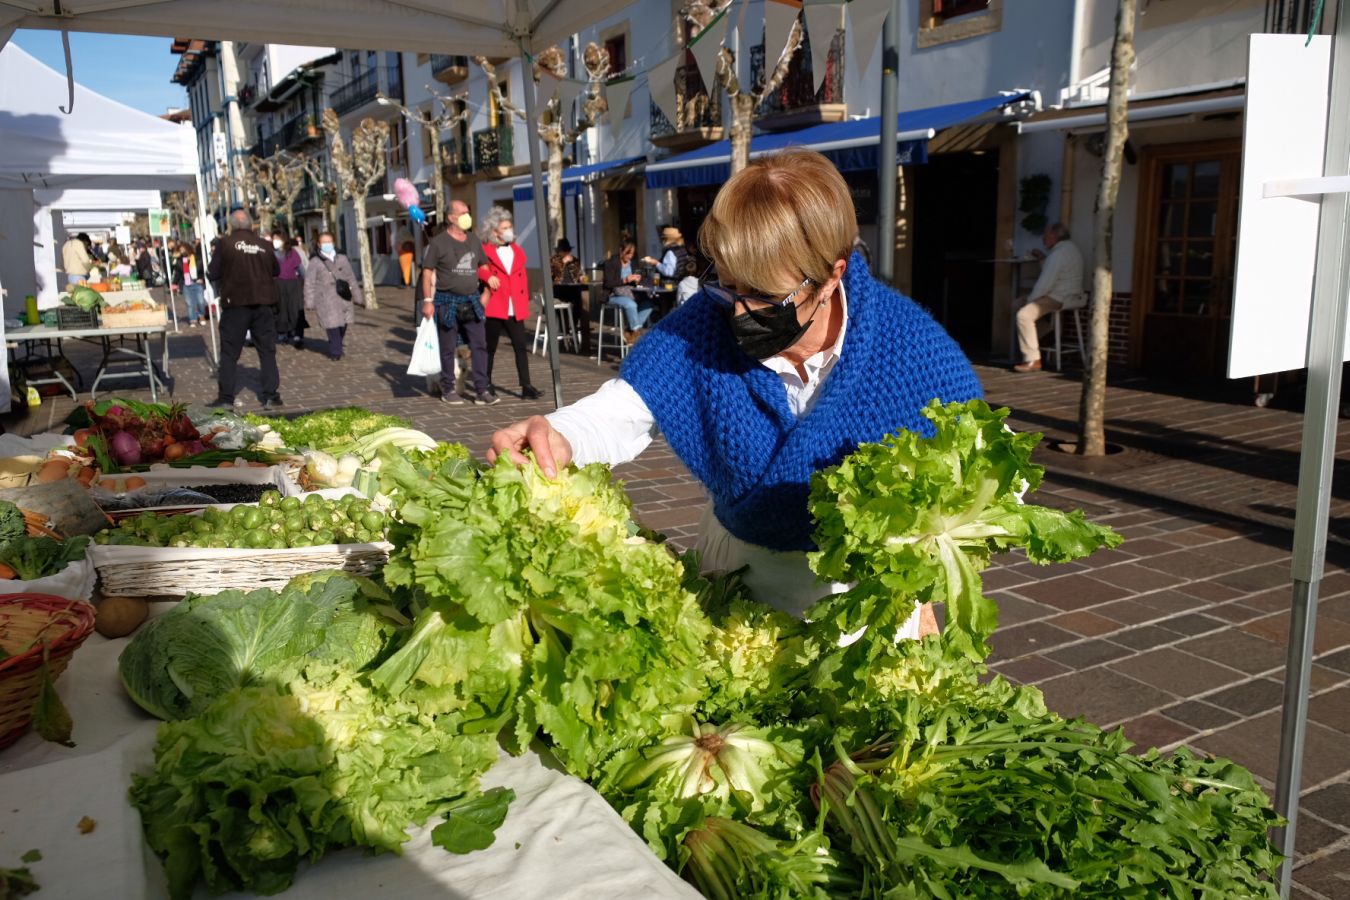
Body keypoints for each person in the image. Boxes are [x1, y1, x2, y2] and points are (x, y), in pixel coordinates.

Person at [489, 149, 982, 631]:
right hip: (735, 584)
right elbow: (622, 407)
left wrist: (928, 574)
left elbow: (987, 471)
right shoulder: (701, 327)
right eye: (729, 288)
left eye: (765, 296)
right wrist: (558, 434)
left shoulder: (913, 351)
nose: (740, 313)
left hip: (861, 604)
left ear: (832, 276)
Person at [420, 199, 496, 406]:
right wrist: (428, 301)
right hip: (446, 300)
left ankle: (482, 390)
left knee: (479, 345)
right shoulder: (438, 243)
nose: (467, 216)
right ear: (451, 217)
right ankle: (448, 389)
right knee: (447, 347)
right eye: (462, 213)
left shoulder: (474, 240)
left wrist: (487, 293)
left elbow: (484, 267)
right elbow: (427, 273)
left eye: (467, 212)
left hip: (472, 300)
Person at [208, 209, 282, 409]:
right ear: (251, 224)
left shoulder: (225, 244)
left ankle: (226, 398)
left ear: (231, 225)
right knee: (267, 351)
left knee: (229, 353)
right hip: (263, 302)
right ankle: (271, 395)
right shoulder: (264, 245)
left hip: (236, 303)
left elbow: (212, 272)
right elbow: (276, 270)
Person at [478, 207, 541, 401]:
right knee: (490, 347)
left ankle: (526, 386)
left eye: (510, 226)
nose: (509, 230)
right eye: (504, 227)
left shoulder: (516, 250)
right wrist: (488, 276)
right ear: (494, 231)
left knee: (520, 346)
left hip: (515, 306)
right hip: (496, 304)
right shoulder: (486, 250)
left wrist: (525, 298)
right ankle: (486, 384)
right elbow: (477, 268)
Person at [1013, 222, 1086, 373]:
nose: (1043, 238)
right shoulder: (1070, 248)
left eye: (1045, 235)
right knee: (1016, 304)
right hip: (1071, 295)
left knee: (1023, 315)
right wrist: (1042, 259)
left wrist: (1030, 299)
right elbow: (1054, 272)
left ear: (1053, 236)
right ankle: (1047, 333)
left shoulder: (1058, 253)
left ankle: (1033, 359)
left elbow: (1044, 283)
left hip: (1059, 297)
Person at [304, 232, 361, 361]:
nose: (327, 244)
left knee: (343, 324)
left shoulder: (342, 258)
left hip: (343, 296)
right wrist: (309, 301)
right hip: (326, 298)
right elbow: (309, 282)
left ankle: (336, 343)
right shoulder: (315, 261)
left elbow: (351, 277)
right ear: (319, 244)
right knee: (332, 324)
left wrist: (357, 295)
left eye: (329, 242)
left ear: (334, 243)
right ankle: (336, 351)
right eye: (324, 242)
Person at [601, 240, 652, 344]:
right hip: (613, 295)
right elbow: (608, 283)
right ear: (621, 250)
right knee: (631, 305)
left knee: (648, 304)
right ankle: (636, 331)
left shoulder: (633, 263)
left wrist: (639, 279)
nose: (630, 256)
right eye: (628, 253)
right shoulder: (610, 263)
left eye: (632, 254)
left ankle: (630, 331)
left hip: (631, 293)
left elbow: (641, 278)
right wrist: (625, 280)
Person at [272, 232, 307, 349]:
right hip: (277, 284)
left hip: (293, 284)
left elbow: (301, 269)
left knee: (295, 309)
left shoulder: (292, 252)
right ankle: (282, 333)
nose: (275, 241)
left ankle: (298, 334)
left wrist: (306, 283)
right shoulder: (271, 254)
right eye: (273, 238)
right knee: (280, 309)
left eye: (277, 238)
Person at [172, 240, 207, 327]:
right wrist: (174, 283)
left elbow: (203, 270)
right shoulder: (180, 260)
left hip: (197, 282)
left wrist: (202, 278)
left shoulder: (197, 258)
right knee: (190, 303)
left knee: (200, 301)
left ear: (188, 249)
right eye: (180, 250)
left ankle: (201, 316)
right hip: (186, 283)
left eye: (183, 249)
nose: (182, 251)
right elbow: (178, 273)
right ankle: (193, 319)